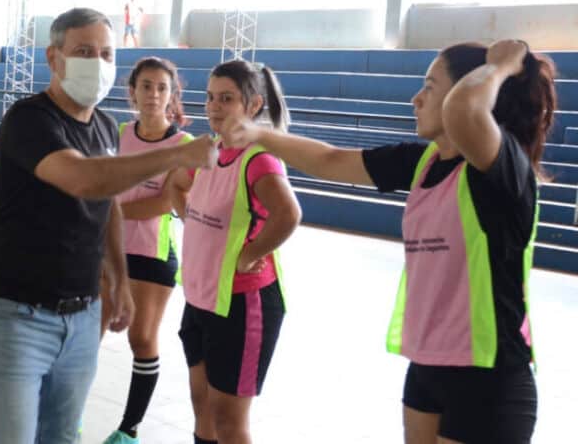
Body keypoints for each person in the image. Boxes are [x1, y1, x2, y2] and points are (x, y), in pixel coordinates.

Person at [221, 40, 555, 444]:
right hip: (428, 365)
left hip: (489, 377)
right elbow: (329, 160)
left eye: (430, 86)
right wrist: (260, 134)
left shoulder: (502, 171)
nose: (416, 98)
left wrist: (501, 65)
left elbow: (465, 111)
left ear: (470, 89)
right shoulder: (423, 162)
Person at [0, 7, 216, 444]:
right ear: (54, 58)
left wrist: (119, 278)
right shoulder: (30, 119)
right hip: (18, 314)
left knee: (62, 435)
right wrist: (178, 154)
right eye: (84, 52)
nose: (98, 62)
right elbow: (85, 179)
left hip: (82, 316)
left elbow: (108, 206)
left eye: (106, 54)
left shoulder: (104, 126)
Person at [168, 60, 301, 444]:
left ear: (253, 104)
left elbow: (288, 214)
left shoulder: (259, 159)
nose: (214, 106)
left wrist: (249, 254)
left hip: (243, 303)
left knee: (228, 420)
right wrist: (191, 218)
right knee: (202, 405)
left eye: (226, 99)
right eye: (210, 97)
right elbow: (176, 185)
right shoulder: (210, 150)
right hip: (202, 297)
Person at [101, 57, 193, 444]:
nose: (153, 94)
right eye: (146, 86)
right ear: (132, 92)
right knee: (87, 335)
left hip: (153, 255)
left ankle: (129, 429)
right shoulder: (117, 133)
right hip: (107, 250)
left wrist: (113, 212)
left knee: (141, 338)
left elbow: (164, 202)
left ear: (172, 95)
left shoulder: (183, 145)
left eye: (161, 87)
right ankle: (67, 415)